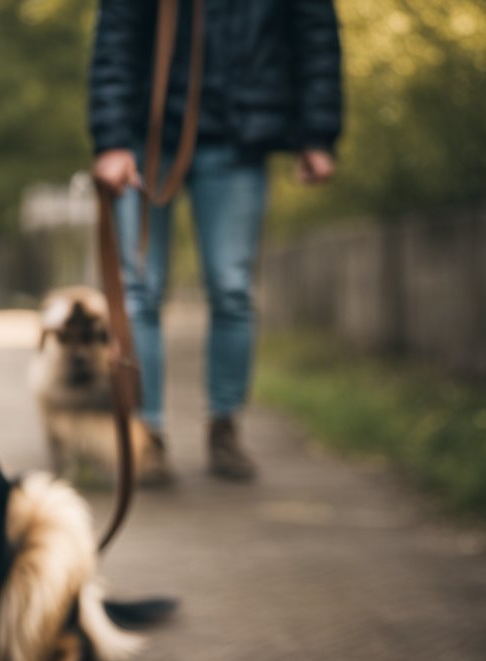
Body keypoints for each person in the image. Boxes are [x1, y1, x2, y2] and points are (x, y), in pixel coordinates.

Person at [87, 0, 342, 482]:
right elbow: (114, 41)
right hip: (146, 134)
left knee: (231, 289)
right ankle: (147, 435)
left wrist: (318, 133)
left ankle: (225, 426)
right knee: (138, 289)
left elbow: (315, 33)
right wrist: (111, 140)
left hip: (240, 134)